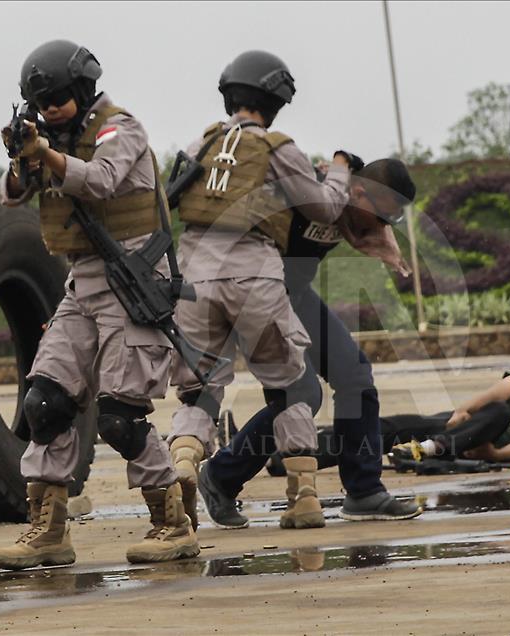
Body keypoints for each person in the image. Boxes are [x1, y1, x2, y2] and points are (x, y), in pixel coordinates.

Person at [0, 40, 196, 570]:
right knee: (45, 403)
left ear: (81, 89)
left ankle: (172, 522)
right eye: (43, 101)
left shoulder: (118, 127)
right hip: (81, 285)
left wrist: (47, 155)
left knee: (121, 419)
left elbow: (100, 180)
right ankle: (49, 531)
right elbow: (11, 197)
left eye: (60, 97)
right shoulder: (48, 139)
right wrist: (22, 157)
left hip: (132, 283)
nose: (53, 107)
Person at [167, 50, 350, 531]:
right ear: (276, 99)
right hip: (255, 276)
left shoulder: (201, 143)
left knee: (199, 395)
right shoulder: (276, 146)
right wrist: (340, 169)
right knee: (289, 386)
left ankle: (184, 466)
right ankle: (304, 496)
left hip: (194, 277)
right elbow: (326, 209)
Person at [197, 158, 424, 528]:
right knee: (301, 396)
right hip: (251, 295)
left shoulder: (355, 207)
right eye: (381, 218)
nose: (381, 228)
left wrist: (385, 237)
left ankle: (364, 491)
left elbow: (369, 223)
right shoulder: (310, 193)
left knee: (354, 374)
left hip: (295, 294)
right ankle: (219, 476)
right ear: (359, 193)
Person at [264, 371, 510, 472]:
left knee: (501, 416)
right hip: (452, 425)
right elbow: (491, 396)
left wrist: (493, 455)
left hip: (470, 448)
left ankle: (431, 449)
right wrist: (460, 415)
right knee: (380, 429)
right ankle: (291, 456)